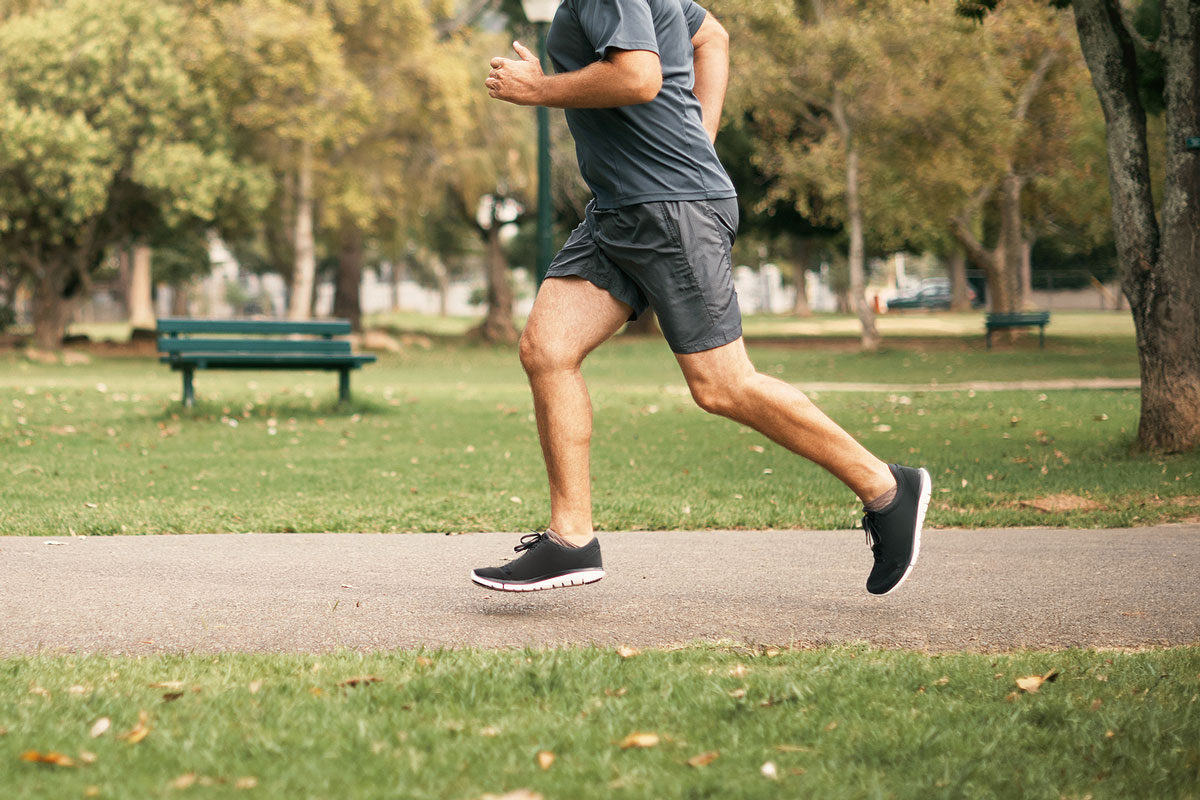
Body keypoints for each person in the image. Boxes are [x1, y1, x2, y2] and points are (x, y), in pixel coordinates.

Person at [471, 0, 930, 596]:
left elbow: (639, 76)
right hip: (621, 210)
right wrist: (702, 137)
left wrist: (540, 89)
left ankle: (887, 488)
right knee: (547, 348)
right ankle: (570, 540)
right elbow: (712, 35)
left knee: (721, 384)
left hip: (669, 208)